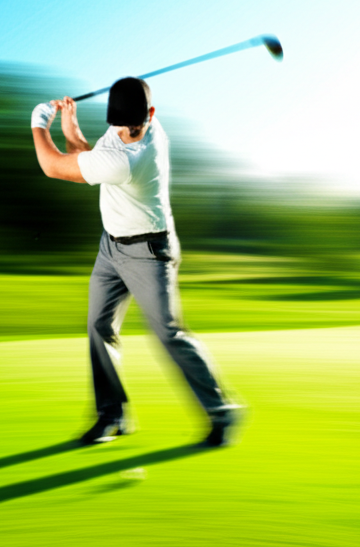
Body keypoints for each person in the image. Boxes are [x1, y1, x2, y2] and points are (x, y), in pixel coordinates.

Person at [29, 77, 239, 447]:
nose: (127, 132)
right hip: (111, 248)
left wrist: (38, 123)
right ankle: (112, 416)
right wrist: (70, 124)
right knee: (98, 325)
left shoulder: (134, 156)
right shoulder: (125, 129)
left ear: (150, 116)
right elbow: (87, 156)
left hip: (149, 253)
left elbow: (55, 166)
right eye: (121, 124)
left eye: (134, 126)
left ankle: (222, 411)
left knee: (169, 334)